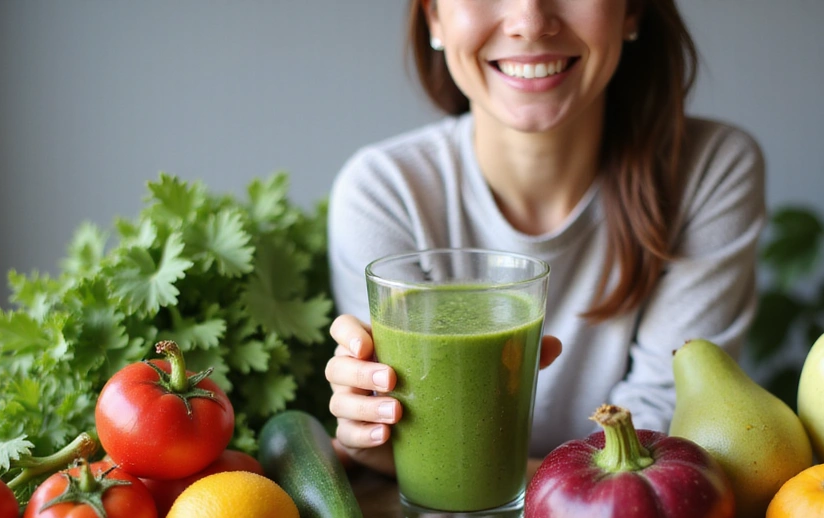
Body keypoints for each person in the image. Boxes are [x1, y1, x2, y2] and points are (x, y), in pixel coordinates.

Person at [324, 0, 765, 475]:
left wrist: (465, 468)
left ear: (632, 11)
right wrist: (378, 435)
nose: (530, 22)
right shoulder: (384, 193)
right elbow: (425, 443)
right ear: (433, 17)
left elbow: (660, 438)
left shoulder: (710, 172)